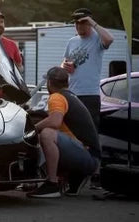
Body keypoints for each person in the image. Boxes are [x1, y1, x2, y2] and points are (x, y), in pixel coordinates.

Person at [27, 67, 101, 198]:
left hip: (87, 157)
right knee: (50, 132)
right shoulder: (71, 96)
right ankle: (75, 177)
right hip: (91, 157)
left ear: (49, 82)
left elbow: (55, 121)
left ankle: (52, 184)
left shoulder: (57, 97)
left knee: (46, 134)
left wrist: (32, 129)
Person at [61, 8, 113, 189]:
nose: (77, 26)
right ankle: (73, 174)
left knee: (91, 134)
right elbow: (64, 62)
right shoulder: (72, 41)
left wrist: (92, 22)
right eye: (75, 22)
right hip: (72, 93)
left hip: (90, 93)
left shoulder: (97, 38)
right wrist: (65, 67)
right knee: (72, 134)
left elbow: (110, 40)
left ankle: (96, 175)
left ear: (88, 22)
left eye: (81, 22)